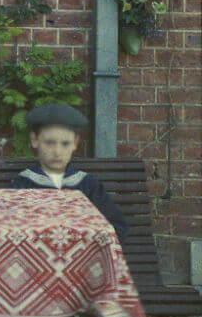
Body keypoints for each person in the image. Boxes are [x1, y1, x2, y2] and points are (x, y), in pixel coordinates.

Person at [10, 103, 129, 245]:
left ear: (75, 142)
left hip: (83, 261)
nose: (57, 152)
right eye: (49, 143)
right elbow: (11, 229)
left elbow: (117, 227)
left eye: (65, 143)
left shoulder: (88, 185)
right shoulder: (23, 184)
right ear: (35, 140)